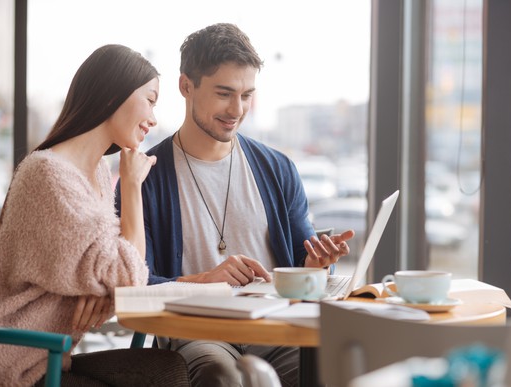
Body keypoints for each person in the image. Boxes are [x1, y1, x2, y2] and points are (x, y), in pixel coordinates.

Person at [115, 23, 354, 386]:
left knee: (333, 365)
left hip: (276, 329)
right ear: (186, 87)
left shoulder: (278, 169)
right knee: (219, 375)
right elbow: (137, 284)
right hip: (198, 333)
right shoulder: (145, 178)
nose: (237, 109)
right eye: (224, 93)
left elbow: (304, 271)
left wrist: (315, 265)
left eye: (247, 95)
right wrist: (205, 282)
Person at [0, 44, 190, 386]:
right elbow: (128, 275)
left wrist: (105, 290)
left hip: (55, 357)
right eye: (150, 99)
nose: (154, 118)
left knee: (169, 368)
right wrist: (132, 186)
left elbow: (116, 273)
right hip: (19, 365)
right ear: (112, 94)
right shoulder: (49, 174)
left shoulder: (97, 171)